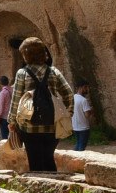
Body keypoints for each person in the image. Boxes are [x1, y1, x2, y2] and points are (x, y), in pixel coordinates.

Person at [8, 37, 75, 172]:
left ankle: (39, 182)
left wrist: (11, 121)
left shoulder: (22, 73)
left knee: (35, 162)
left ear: (26, 54)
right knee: (49, 159)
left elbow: (16, 100)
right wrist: (67, 113)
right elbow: (68, 93)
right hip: (51, 125)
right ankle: (53, 182)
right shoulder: (53, 72)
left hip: (29, 127)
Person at [72, 81, 95, 151]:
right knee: (81, 147)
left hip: (75, 126)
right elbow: (87, 115)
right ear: (80, 88)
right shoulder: (83, 100)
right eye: (85, 87)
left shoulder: (73, 98)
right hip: (83, 127)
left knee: (78, 144)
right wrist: (91, 111)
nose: (87, 89)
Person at [0, 76, 12, 145]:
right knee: (12, 135)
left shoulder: (3, 93)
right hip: (12, 116)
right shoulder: (12, 90)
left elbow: (0, 107)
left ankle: (6, 149)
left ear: (0, 83)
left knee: (5, 136)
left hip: (4, 118)